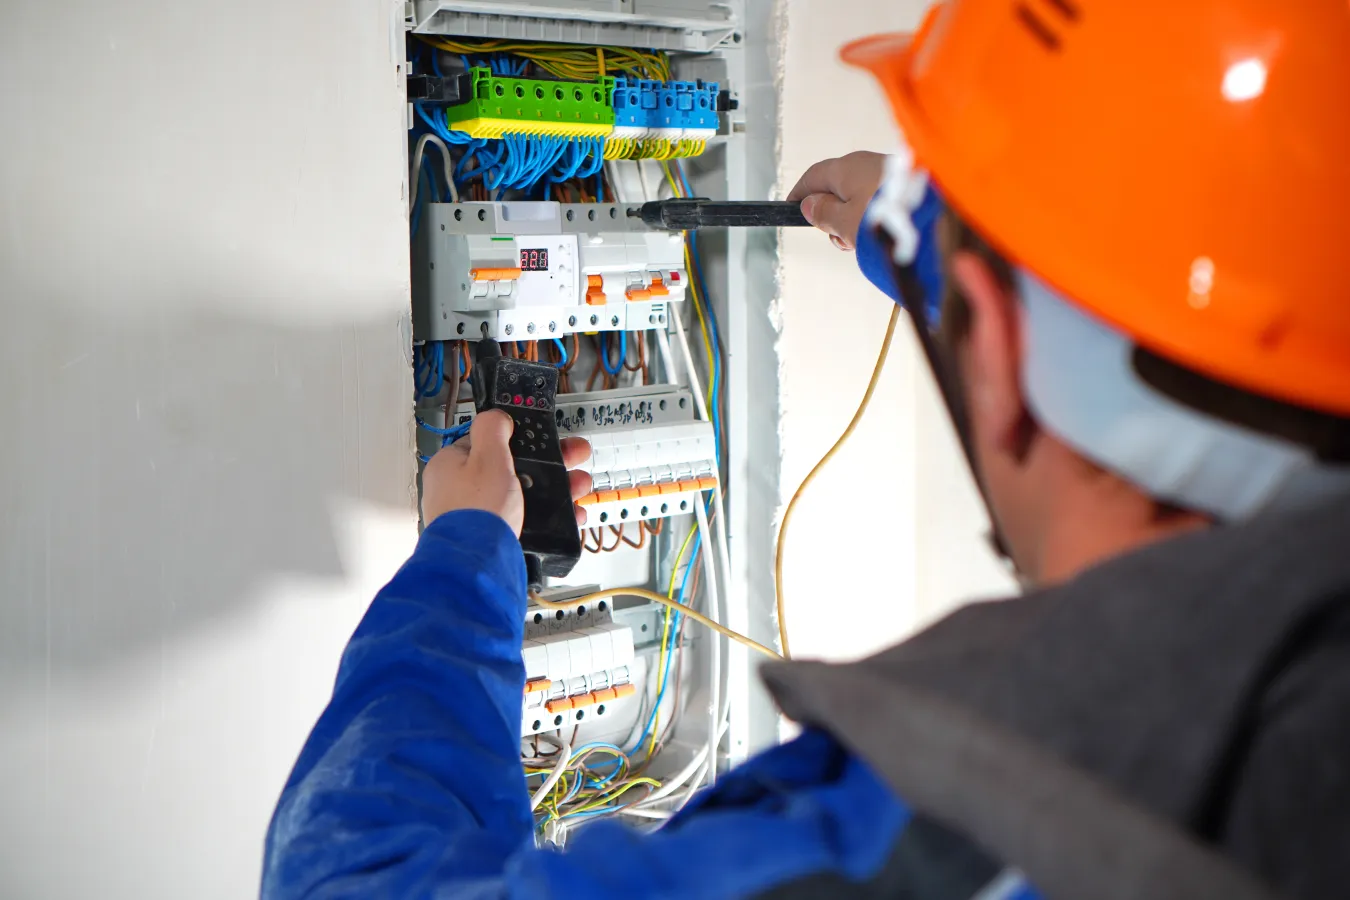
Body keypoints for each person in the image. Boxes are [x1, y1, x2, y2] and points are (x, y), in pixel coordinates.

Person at [263, 2, 1350, 897]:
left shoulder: (958, 836)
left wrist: (465, 558)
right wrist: (920, 230)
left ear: (995, 335)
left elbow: (356, 878)